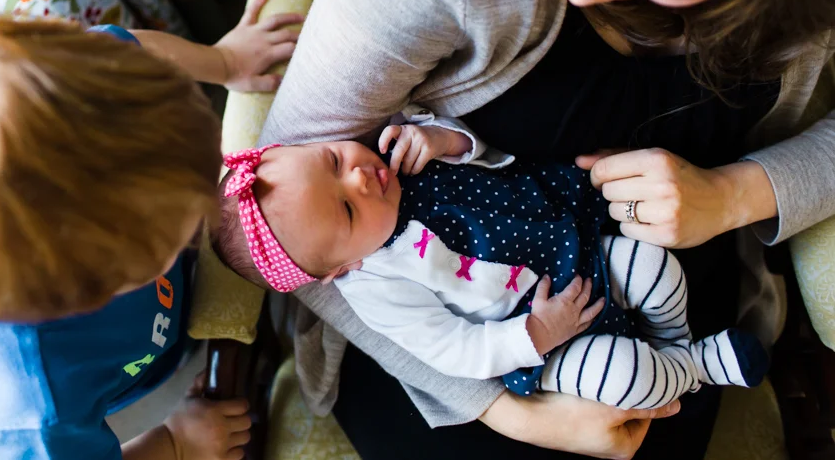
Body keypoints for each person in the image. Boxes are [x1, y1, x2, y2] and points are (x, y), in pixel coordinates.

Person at [257, 0, 835, 457]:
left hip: (663, 291)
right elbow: (279, 232)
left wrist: (736, 195)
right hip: (457, 341)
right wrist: (512, 412)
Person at [0, 0, 301, 460]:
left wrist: (224, 61)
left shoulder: (89, 82)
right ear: (82, 292)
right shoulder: (37, 404)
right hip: (139, 366)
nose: (204, 214)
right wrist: (176, 443)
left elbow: (137, 47)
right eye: (173, 227)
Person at [212, 123, 768, 410]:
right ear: (341, 268)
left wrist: (444, 137)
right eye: (348, 210)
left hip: (568, 250)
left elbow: (490, 156)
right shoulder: (377, 287)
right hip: (541, 337)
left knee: (653, 267)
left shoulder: (403, 153)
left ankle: (677, 337)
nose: (359, 177)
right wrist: (535, 335)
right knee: (626, 377)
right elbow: (451, 349)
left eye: (333, 160)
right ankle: (696, 367)